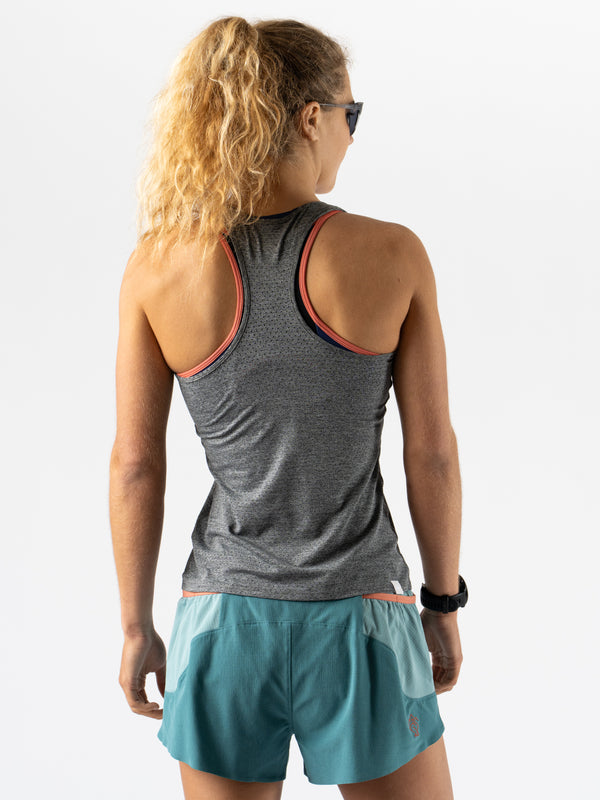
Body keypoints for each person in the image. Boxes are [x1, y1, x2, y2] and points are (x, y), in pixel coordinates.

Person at [109, 15, 466, 800]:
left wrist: (136, 626)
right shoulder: (393, 255)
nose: (351, 135)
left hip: (221, 622)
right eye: (349, 114)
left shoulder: (157, 267)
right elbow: (432, 453)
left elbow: (135, 466)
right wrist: (442, 601)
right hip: (363, 619)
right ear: (310, 118)